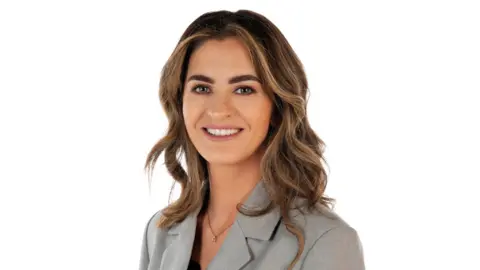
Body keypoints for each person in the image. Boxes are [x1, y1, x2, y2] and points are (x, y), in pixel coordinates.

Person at [138, 9, 365, 270]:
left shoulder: (325, 241)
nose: (218, 110)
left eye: (244, 89)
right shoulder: (160, 232)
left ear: (277, 107)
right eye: (202, 88)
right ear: (179, 101)